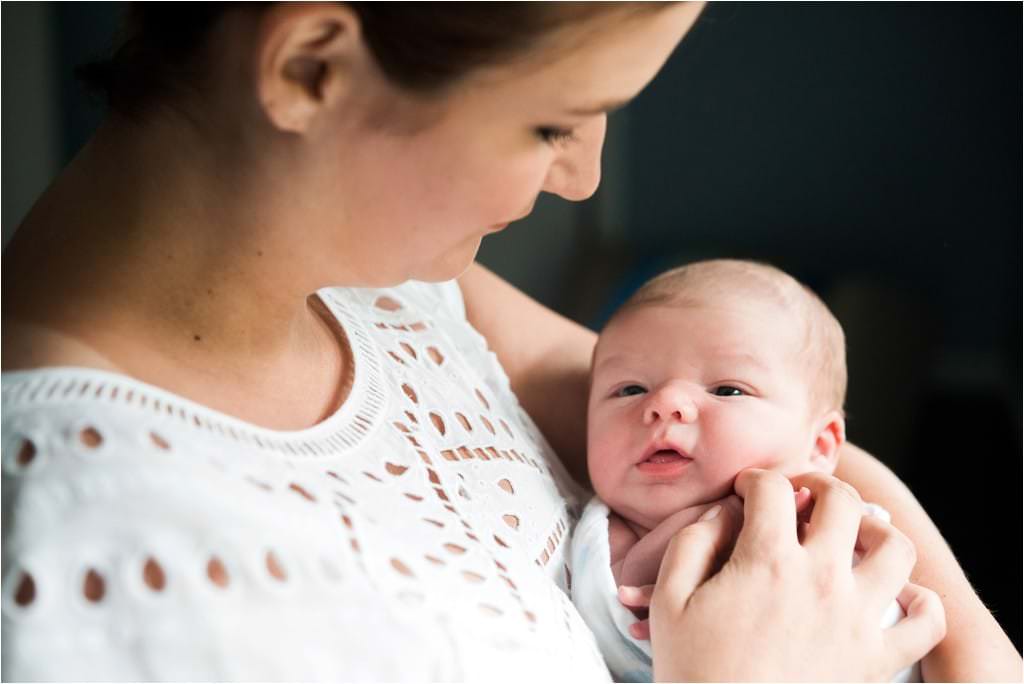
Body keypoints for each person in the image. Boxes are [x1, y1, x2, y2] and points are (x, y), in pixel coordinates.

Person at [0, 2, 1016, 681]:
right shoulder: (92, 550)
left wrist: (983, 660)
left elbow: (775, 445)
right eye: (551, 123)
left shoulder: (398, 285)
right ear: (312, 66)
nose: (580, 177)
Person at [572, 259, 921, 681]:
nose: (664, 403)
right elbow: (630, 602)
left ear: (819, 444)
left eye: (728, 389)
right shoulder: (595, 534)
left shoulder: (836, 526)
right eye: (630, 389)